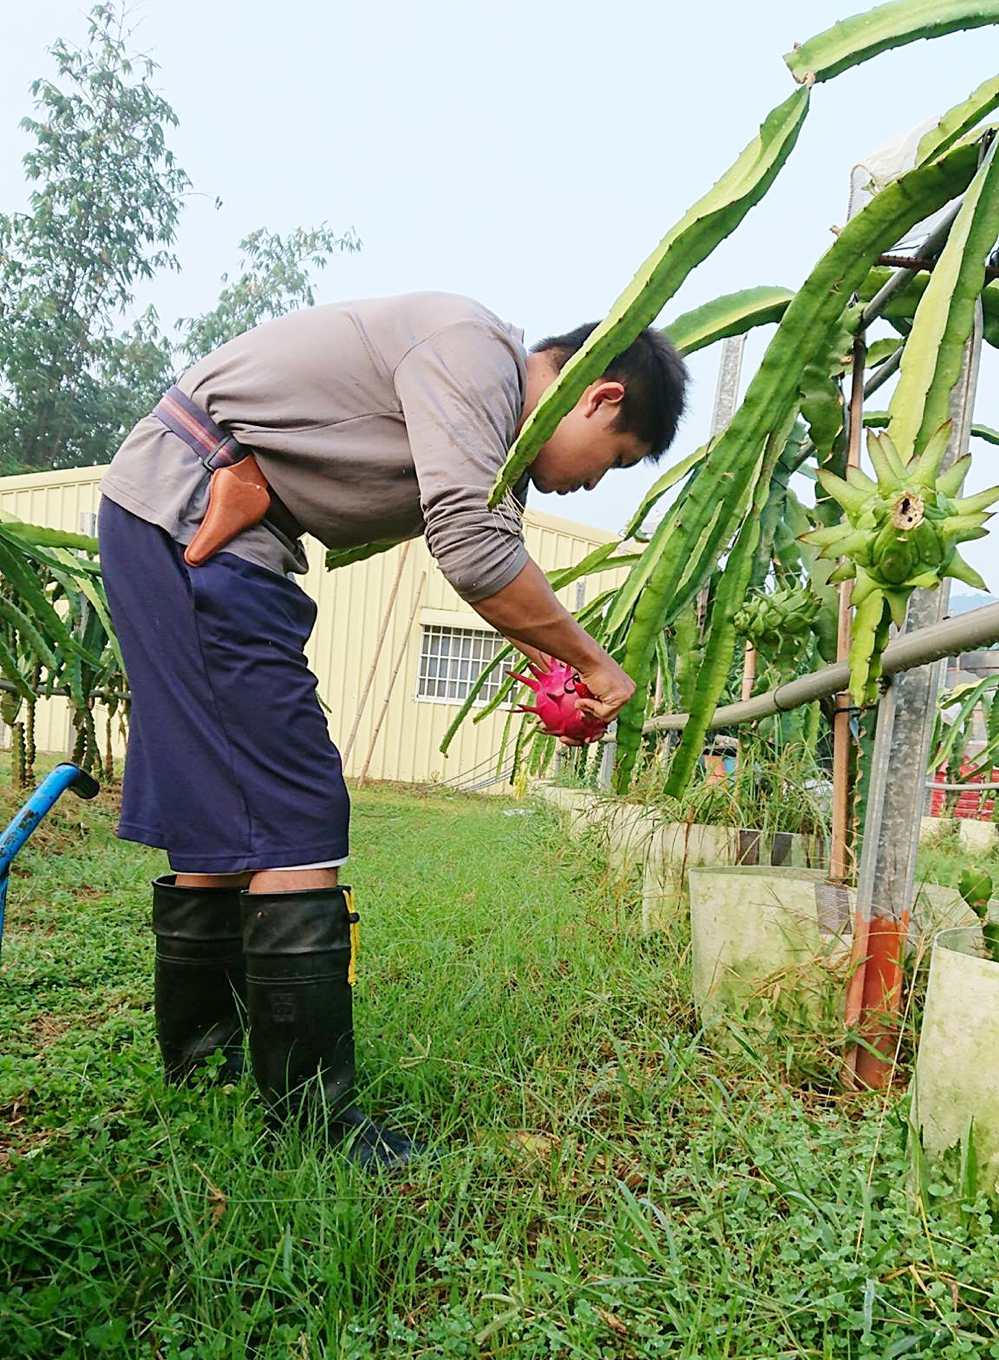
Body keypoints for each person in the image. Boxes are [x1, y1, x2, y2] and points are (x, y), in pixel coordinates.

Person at [97, 291, 687, 1168]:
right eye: (614, 460)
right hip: (191, 520)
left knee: (222, 815)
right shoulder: (476, 355)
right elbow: (474, 550)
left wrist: (548, 662)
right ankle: (310, 1120)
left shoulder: (483, 414)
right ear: (598, 396)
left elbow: (489, 557)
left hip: (178, 513)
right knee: (295, 810)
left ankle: (204, 1069)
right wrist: (596, 664)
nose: (593, 483)